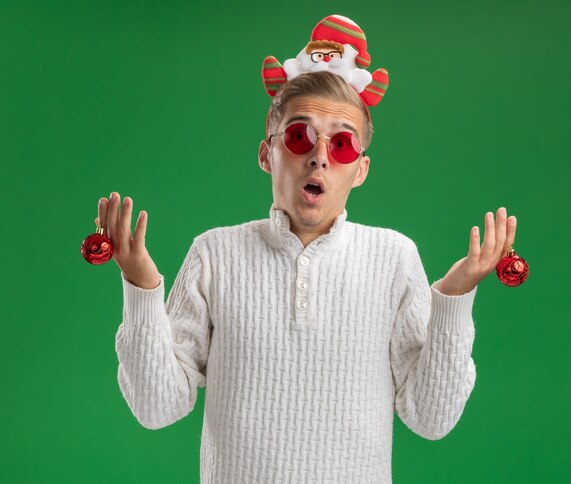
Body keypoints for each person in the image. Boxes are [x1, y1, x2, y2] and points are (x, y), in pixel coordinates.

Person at [100, 19, 518, 484]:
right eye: (301, 136)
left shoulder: (394, 258)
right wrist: (140, 287)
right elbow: (157, 406)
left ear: (360, 170)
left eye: (341, 143)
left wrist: (455, 299)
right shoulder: (214, 254)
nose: (320, 155)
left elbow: (431, 418)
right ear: (267, 155)